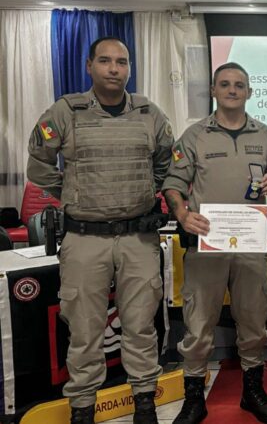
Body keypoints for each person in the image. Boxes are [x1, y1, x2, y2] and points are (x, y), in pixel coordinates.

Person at [26, 36, 174, 424]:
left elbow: (165, 163)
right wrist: (72, 194)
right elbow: (39, 163)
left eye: (121, 62)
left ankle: (145, 402)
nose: (114, 69)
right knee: (84, 329)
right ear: (89, 65)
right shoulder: (66, 111)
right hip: (84, 238)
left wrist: (148, 191)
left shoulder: (149, 113)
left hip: (138, 238)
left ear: (129, 68)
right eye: (105, 61)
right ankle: (82, 408)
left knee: (141, 325)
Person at [162, 62, 267, 424]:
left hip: (249, 242)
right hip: (206, 242)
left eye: (240, 85)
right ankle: (193, 397)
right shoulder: (194, 136)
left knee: (253, 319)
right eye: (225, 84)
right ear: (214, 91)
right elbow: (173, 182)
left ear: (249, 92)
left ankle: (252, 391)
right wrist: (183, 214)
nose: (232, 90)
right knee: (199, 322)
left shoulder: (265, 135)